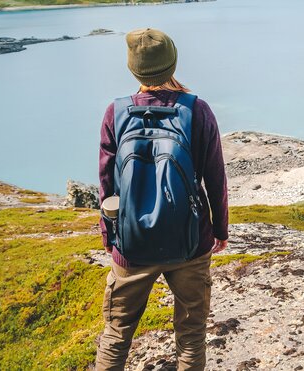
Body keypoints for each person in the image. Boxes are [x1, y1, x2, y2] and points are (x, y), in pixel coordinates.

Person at [95, 28, 229, 371]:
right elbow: (215, 178)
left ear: (133, 69)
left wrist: (110, 238)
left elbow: (107, 184)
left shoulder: (116, 112)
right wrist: (220, 231)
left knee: (117, 332)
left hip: (132, 244)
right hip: (190, 242)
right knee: (191, 332)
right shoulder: (197, 110)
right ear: (172, 63)